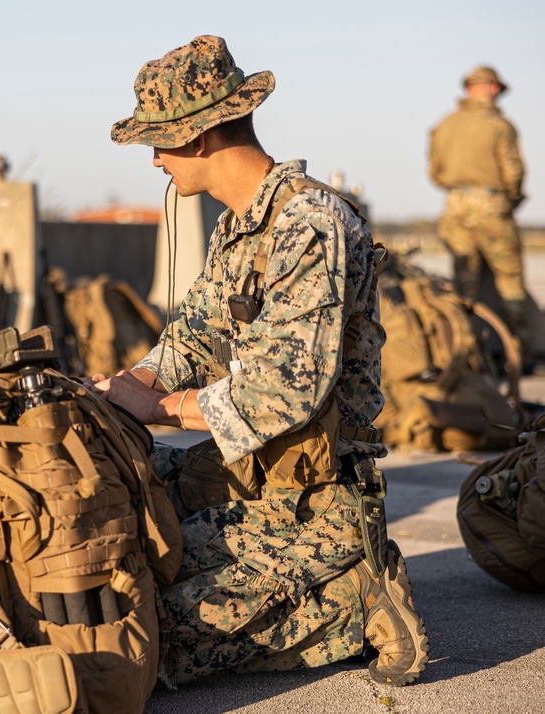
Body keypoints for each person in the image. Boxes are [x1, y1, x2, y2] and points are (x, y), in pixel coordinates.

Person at [89, 36, 429, 687]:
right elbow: (189, 340)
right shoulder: (241, 225)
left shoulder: (310, 225)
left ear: (199, 138)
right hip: (250, 467)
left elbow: (282, 395)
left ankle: (354, 595)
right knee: (102, 539)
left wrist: (157, 408)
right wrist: (117, 390)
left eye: (157, 142)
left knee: (140, 635)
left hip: (314, 488)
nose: (154, 159)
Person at [428, 66, 530, 361]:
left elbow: (435, 172)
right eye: (494, 86)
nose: (497, 92)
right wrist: (509, 199)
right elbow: (514, 171)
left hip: (455, 206)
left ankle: (469, 352)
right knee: (510, 280)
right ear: (484, 87)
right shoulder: (499, 125)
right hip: (492, 206)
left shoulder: (444, 125)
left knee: (463, 285)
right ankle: (519, 352)